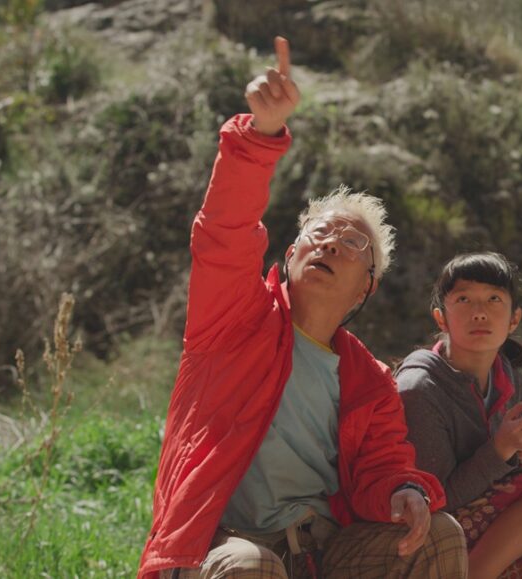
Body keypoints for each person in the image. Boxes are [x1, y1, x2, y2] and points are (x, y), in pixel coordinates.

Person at [136, 36, 467, 579]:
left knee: (440, 536)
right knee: (250, 567)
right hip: (218, 546)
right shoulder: (233, 319)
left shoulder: (370, 379)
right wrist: (261, 134)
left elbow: (382, 468)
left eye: (353, 243)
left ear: (366, 288)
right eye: (319, 233)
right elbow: (224, 232)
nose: (332, 244)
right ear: (289, 255)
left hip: (324, 552)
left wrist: (405, 490)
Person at [395, 252, 522, 579]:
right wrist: (500, 449)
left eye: (493, 299)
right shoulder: (418, 389)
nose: (479, 313)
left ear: (514, 319)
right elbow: (435, 503)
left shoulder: (509, 376)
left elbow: (504, 480)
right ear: (441, 318)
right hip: (434, 543)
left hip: (487, 536)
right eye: (463, 299)